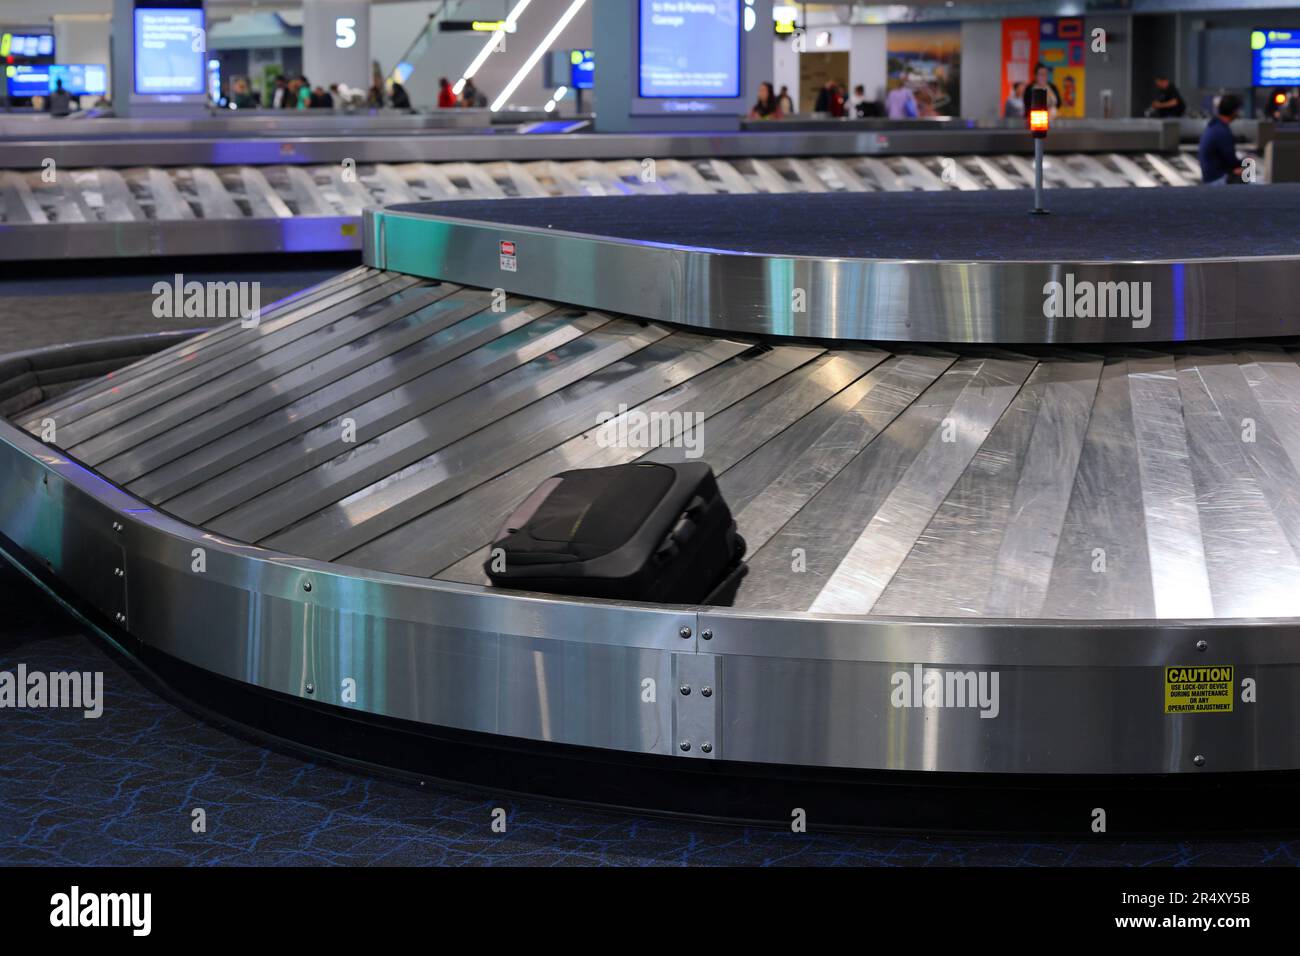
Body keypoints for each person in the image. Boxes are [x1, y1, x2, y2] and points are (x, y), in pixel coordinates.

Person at [1199, 93, 1244, 185]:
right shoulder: (1222, 131)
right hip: (1217, 179)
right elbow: (1231, 161)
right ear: (1234, 111)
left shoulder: (1214, 125)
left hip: (1209, 177)